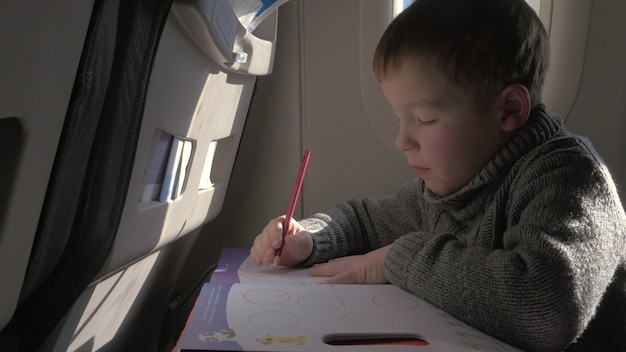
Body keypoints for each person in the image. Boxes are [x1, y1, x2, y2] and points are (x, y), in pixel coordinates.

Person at [250, 0, 626, 350]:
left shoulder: (569, 178)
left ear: (509, 109)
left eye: (425, 119)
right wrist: (311, 238)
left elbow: (544, 308)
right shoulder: (454, 186)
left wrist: (396, 259)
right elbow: (364, 221)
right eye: (399, 118)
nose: (402, 140)